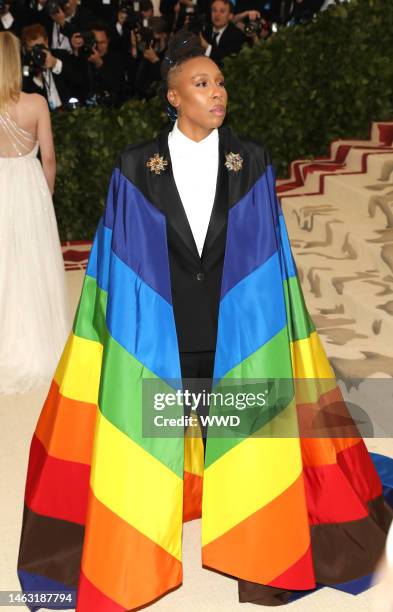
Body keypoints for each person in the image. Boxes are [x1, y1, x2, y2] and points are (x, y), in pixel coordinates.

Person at [17, 29, 392, 610]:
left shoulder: (254, 162)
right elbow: (114, 266)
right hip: (162, 337)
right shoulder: (136, 167)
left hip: (237, 335)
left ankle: (257, 535)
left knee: (246, 434)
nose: (217, 92)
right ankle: (155, 521)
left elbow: (272, 259)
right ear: (173, 96)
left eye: (220, 83)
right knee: (156, 429)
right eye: (201, 83)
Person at [0, 31, 71, 394]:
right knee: (32, 264)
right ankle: (37, 345)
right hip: (29, 187)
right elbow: (50, 158)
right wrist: (47, 196)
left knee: (4, 263)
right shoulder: (36, 103)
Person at [200, 0, 246, 67]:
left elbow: (226, 60)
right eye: (214, 10)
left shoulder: (237, 35)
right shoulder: (205, 30)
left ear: (230, 16)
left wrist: (206, 47)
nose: (217, 15)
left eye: (222, 11)